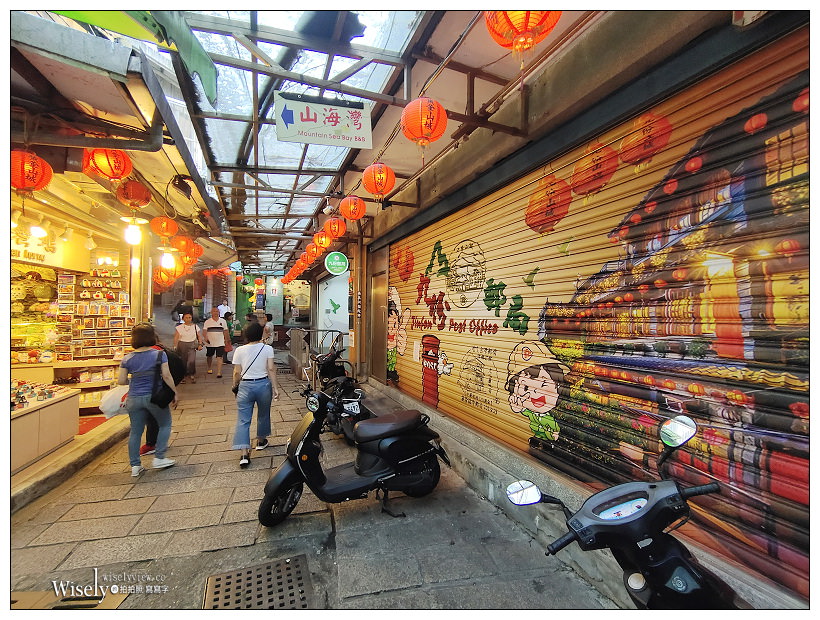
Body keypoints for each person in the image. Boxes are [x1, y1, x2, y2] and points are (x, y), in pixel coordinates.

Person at [117, 324, 177, 476]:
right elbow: (167, 375)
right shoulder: (159, 355)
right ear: (152, 336)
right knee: (165, 424)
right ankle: (159, 457)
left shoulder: (127, 358)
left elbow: (121, 380)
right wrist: (174, 392)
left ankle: (135, 466)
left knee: (136, 431)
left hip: (134, 398)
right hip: (154, 397)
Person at [231, 322, 280, 468]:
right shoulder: (267, 349)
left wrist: (235, 386)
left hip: (245, 386)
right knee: (264, 414)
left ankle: (244, 453)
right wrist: (276, 388)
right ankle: (261, 441)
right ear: (261, 334)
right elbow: (271, 369)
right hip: (263, 385)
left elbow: (236, 372)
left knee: (243, 419)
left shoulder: (239, 350)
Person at [174, 312, 204, 383]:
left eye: (189, 317)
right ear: (183, 318)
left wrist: (200, 344)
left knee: (191, 360)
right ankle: (183, 376)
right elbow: (176, 337)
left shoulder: (195, 326)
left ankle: (192, 374)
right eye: (186, 318)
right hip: (182, 344)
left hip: (192, 344)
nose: (188, 319)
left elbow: (199, 336)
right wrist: (175, 346)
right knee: (183, 361)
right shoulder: (179, 327)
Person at [203, 306, 230, 378]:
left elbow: (226, 331)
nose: (215, 313)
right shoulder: (207, 322)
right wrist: (205, 338)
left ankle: (219, 372)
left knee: (219, 357)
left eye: (217, 311)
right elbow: (204, 331)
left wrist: (227, 340)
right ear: (211, 313)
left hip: (220, 342)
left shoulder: (223, 321)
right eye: (214, 311)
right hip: (210, 342)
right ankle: (209, 368)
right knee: (209, 356)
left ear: (219, 312)